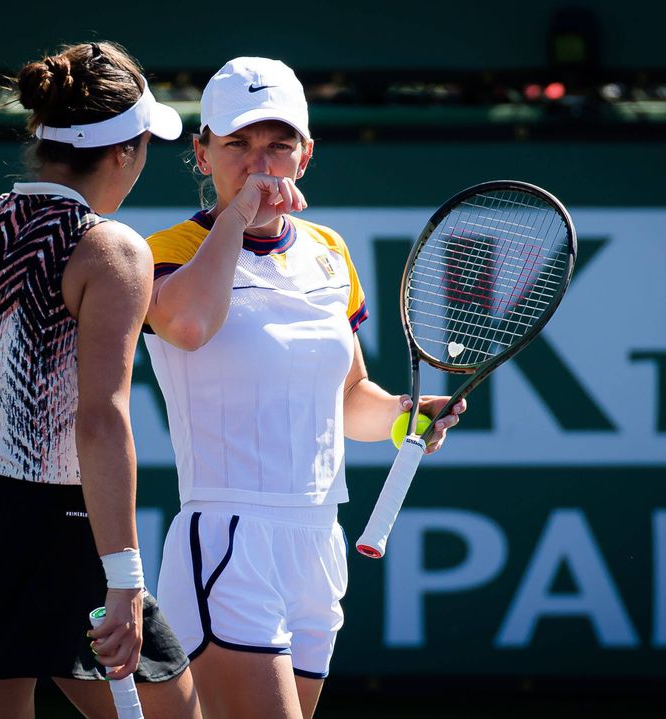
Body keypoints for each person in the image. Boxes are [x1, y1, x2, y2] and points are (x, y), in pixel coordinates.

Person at [0, 42, 200, 719]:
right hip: (54, 528)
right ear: (124, 152)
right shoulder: (112, 249)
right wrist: (125, 581)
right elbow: (101, 419)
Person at [143, 57, 467, 719]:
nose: (261, 162)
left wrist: (409, 416)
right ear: (202, 154)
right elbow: (183, 324)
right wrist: (235, 220)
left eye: (278, 144)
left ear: (307, 154)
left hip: (317, 541)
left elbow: (349, 400)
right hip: (228, 535)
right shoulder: (163, 250)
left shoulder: (329, 251)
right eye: (237, 144)